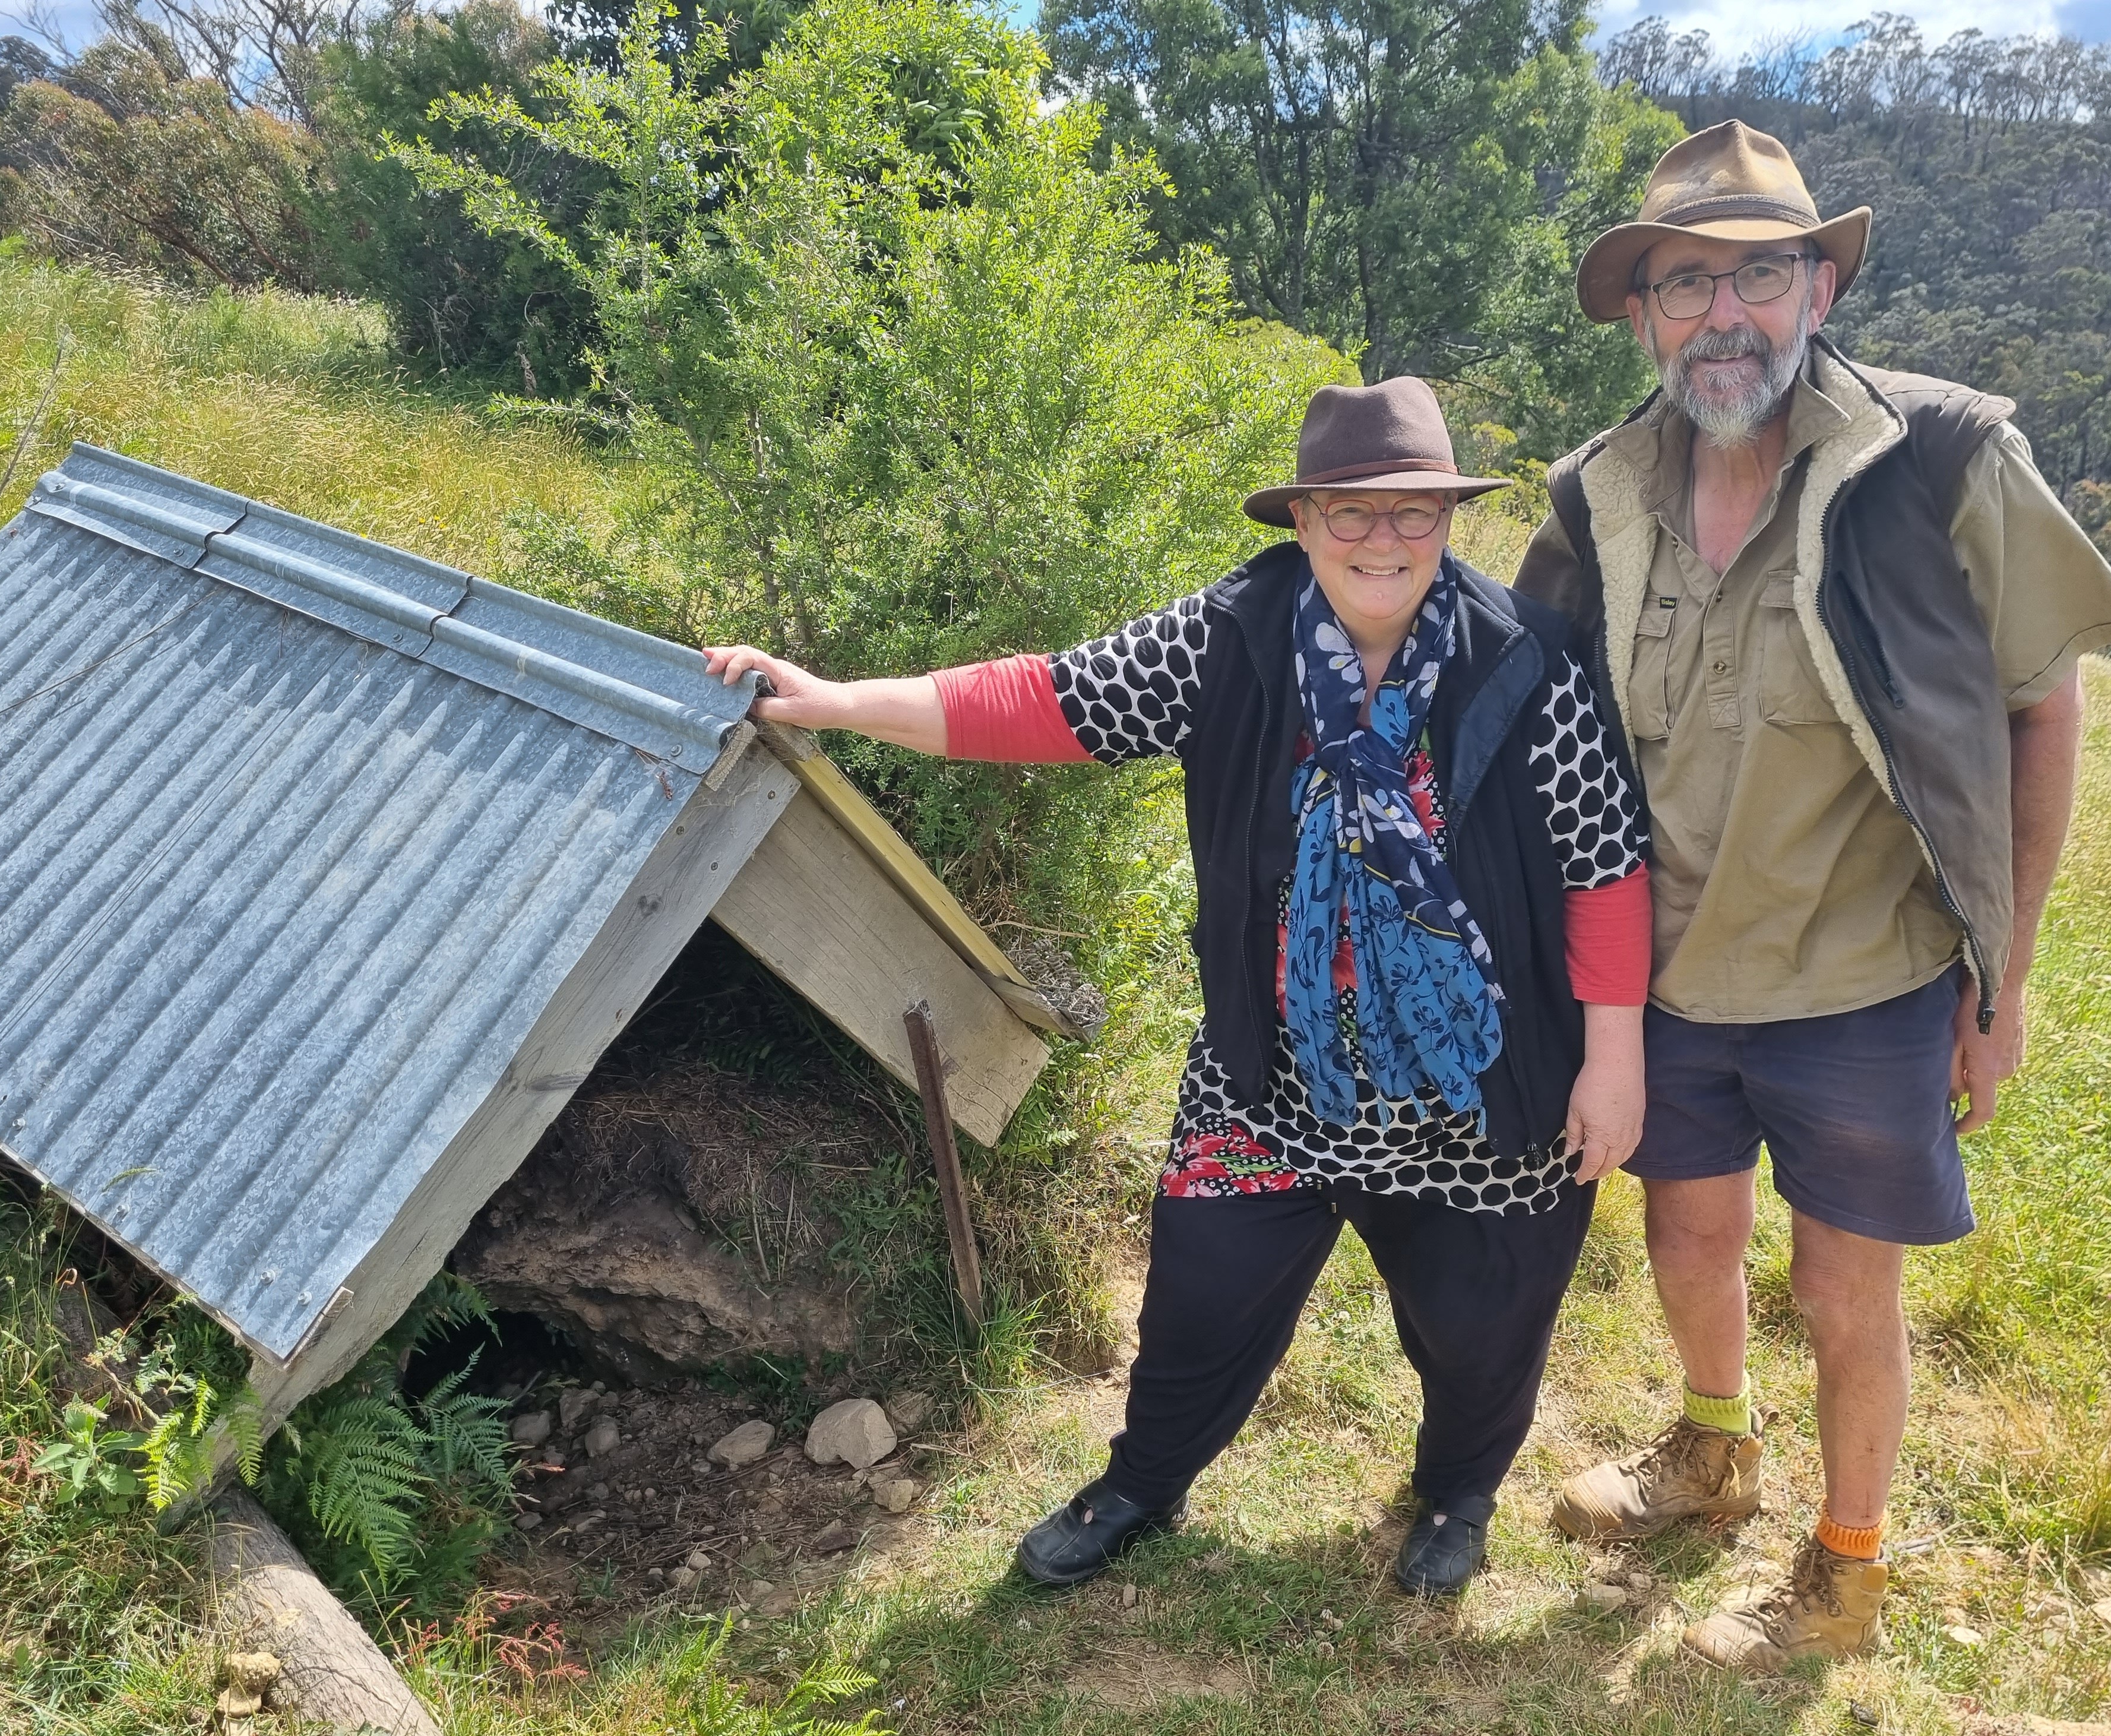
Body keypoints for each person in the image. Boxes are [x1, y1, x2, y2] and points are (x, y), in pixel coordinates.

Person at [705, 377, 1653, 1596]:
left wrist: (1614, 1055)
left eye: (1410, 510)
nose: (1381, 538)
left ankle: (1458, 1493)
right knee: (1200, 1292)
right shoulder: (1231, 639)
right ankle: (1143, 1482)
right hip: (1273, 1078)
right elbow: (1046, 699)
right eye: (1347, 511)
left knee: (1484, 1322)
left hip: (1480, 1084)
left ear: (1449, 520)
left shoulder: (1531, 660)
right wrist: (837, 703)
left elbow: (1605, 866)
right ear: (1301, 522)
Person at [1513, 120, 2111, 1671]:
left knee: (1845, 1290)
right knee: (1687, 1236)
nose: (1724, 316)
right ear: (1640, 314)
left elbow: (2039, 706)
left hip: (1865, 980)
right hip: (1664, 981)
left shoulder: (1941, 461)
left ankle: (1845, 1574)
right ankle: (1712, 1456)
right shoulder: (1599, 490)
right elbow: (1523, 715)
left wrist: (2000, 983)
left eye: (1763, 275)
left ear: (1820, 288)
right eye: (1684, 284)